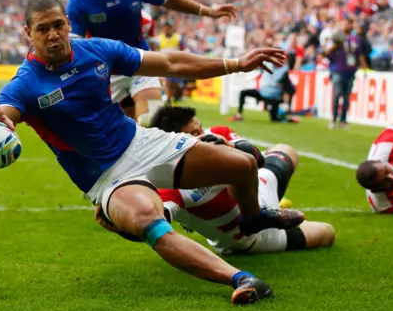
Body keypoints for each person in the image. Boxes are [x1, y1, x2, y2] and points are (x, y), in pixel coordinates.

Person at [0, 0, 296, 305]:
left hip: (141, 142)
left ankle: (252, 219)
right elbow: (7, 110)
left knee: (240, 164)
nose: (52, 34)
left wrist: (236, 64)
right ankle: (240, 279)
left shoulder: (97, 50)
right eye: (42, 29)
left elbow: (170, 63)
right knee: (150, 221)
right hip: (107, 177)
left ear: (68, 23)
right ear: (28, 33)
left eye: (57, 25)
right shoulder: (26, 82)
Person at [110, 106, 334, 255]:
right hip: (245, 236)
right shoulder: (170, 185)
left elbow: (259, 160)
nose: (203, 135)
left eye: (200, 128)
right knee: (326, 232)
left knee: (286, 151)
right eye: (194, 133)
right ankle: (256, 220)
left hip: (256, 194)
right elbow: (151, 226)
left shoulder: (217, 134)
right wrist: (119, 224)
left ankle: (262, 211)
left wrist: (230, 147)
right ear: (174, 143)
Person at [66, 0, 236, 127]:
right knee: (123, 134)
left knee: (151, 120)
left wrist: (207, 11)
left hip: (141, 63)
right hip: (106, 72)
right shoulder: (78, 1)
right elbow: (75, 48)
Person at [325, 18, 368, 130]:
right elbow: (327, 52)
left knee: (346, 96)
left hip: (350, 71)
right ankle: (334, 118)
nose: (346, 25)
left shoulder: (355, 39)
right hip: (338, 70)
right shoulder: (336, 37)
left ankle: (343, 120)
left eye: (348, 23)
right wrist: (336, 44)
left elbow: (360, 55)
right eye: (344, 23)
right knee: (337, 93)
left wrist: (364, 68)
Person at [158, 21, 185, 105]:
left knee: (175, 85)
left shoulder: (178, 38)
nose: (165, 29)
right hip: (165, 65)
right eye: (164, 27)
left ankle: (173, 98)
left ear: (170, 28)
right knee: (168, 84)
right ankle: (169, 101)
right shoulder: (159, 39)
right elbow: (156, 51)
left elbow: (182, 49)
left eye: (167, 27)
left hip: (176, 64)